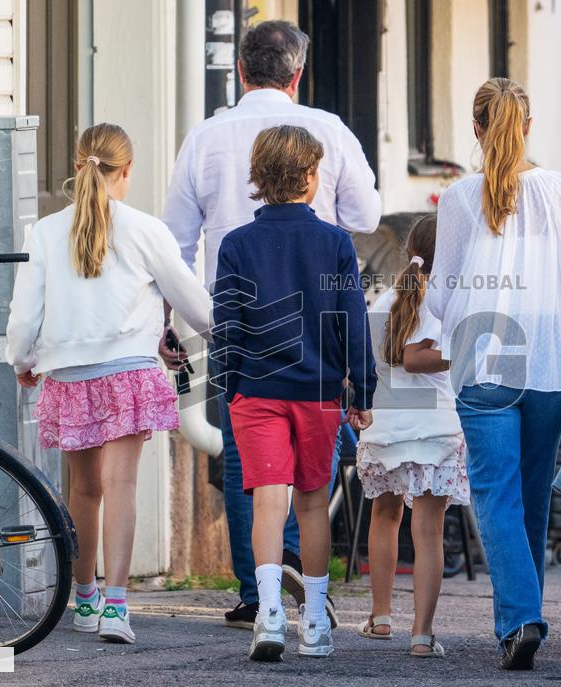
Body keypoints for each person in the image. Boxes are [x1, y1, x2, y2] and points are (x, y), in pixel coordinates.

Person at [162, 19, 381, 630]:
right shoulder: (329, 131)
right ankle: (300, 582)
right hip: (315, 319)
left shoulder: (204, 138)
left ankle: (257, 591)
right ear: (299, 73)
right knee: (313, 472)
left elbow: (175, 243)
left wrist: (172, 323)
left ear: (240, 69)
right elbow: (367, 214)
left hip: (231, 320)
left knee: (246, 460)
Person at [426, 78, 561, 670]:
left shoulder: (460, 198)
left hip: (483, 358)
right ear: (528, 126)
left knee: (496, 493)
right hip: (548, 359)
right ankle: (524, 614)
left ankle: (520, 619)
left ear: (476, 129)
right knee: (530, 496)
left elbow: (442, 296)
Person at [5, 123, 211, 644]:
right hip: (129, 371)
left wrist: (22, 358)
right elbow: (190, 299)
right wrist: (224, 330)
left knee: (85, 489)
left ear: (78, 167)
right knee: (121, 486)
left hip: (71, 374)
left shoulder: (46, 231)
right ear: (127, 171)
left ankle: (84, 598)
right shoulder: (145, 228)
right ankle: (117, 606)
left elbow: (26, 309)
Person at [212, 125, 376, 661]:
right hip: (319, 392)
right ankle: (316, 623)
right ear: (311, 178)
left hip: (255, 389)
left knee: (267, 501)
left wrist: (229, 387)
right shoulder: (335, 243)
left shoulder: (236, 245)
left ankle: (269, 615)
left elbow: (227, 326)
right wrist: (363, 389)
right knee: (310, 504)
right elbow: (353, 322)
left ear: (258, 178)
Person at [354, 215, 469, 658]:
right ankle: (421, 634)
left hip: (386, 427)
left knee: (384, 517)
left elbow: (372, 363)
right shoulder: (444, 302)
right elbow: (414, 358)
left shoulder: (383, 300)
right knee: (428, 532)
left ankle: (380, 617)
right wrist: (464, 351)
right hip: (434, 428)